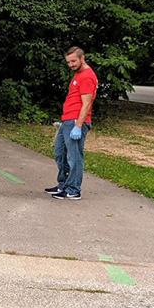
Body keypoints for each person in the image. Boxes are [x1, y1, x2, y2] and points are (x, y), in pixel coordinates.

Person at [46, 47, 97, 200]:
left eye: (73, 61)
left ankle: (74, 189)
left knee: (74, 157)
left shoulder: (87, 76)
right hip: (67, 120)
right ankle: (63, 184)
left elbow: (86, 103)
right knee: (59, 153)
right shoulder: (78, 75)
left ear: (83, 58)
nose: (71, 65)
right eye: (68, 62)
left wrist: (78, 125)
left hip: (76, 121)